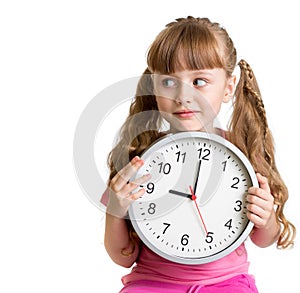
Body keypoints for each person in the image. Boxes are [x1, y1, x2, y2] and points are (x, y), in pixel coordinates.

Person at [102, 16, 296, 292]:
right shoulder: (139, 159)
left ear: (229, 87)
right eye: (168, 82)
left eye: (200, 80)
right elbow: (123, 256)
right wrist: (116, 210)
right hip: (153, 283)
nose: (183, 95)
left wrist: (266, 219)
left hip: (226, 284)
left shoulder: (242, 154)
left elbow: (264, 239)